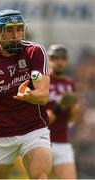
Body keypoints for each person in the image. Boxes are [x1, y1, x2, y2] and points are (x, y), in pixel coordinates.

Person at [0, 9, 52, 179]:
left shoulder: (34, 52)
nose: (16, 34)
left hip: (33, 130)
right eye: (9, 30)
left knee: (41, 176)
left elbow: (43, 95)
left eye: (19, 29)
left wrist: (29, 95)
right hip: (1, 135)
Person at [46, 44, 80, 179]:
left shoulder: (70, 83)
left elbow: (70, 119)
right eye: (55, 58)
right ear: (49, 59)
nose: (59, 62)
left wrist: (74, 111)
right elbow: (42, 121)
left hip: (63, 141)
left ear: (66, 60)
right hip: (42, 141)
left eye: (63, 58)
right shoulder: (43, 81)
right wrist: (60, 107)